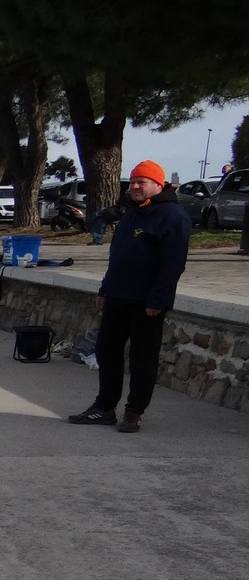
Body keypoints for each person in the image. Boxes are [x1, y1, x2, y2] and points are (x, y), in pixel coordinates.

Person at [68, 160, 189, 434]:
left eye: (141, 182)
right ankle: (104, 407)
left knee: (142, 357)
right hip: (117, 295)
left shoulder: (173, 216)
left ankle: (134, 412)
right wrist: (105, 289)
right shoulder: (132, 212)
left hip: (147, 302)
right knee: (106, 351)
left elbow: (173, 264)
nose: (134, 186)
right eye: (133, 182)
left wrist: (158, 299)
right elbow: (118, 257)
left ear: (158, 185)